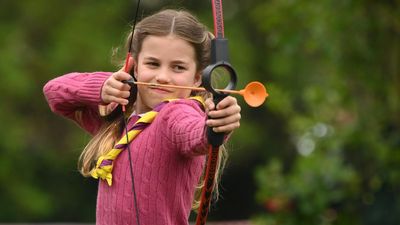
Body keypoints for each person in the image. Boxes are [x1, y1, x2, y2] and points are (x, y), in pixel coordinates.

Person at [43, 9, 241, 225]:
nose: (163, 77)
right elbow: (54, 92)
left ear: (197, 78)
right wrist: (103, 87)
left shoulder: (176, 114)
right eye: (153, 64)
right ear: (134, 66)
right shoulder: (118, 121)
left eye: (178, 67)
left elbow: (196, 135)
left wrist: (217, 125)